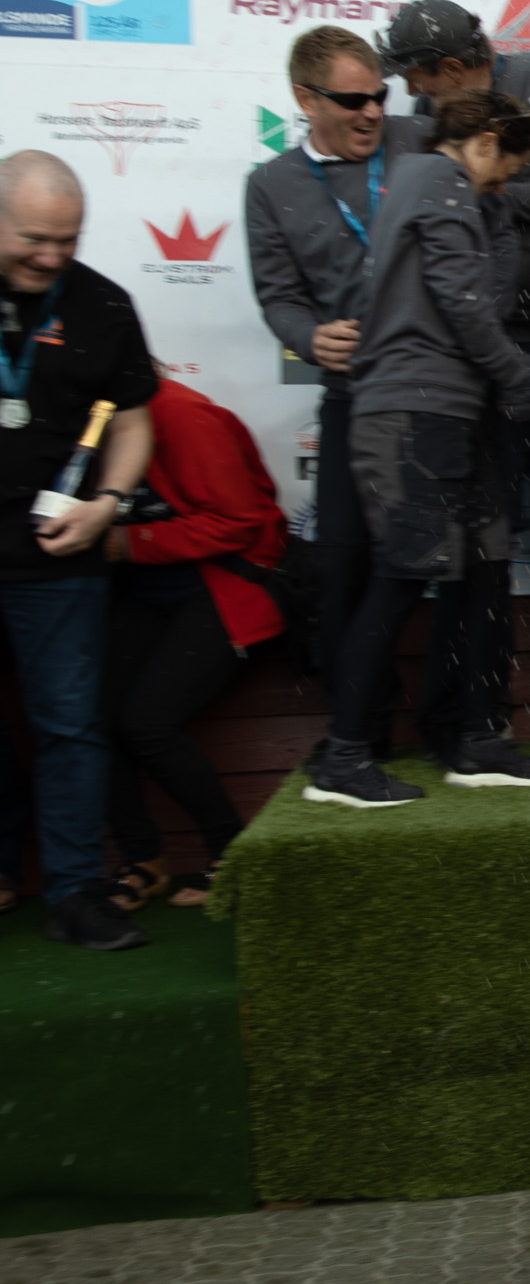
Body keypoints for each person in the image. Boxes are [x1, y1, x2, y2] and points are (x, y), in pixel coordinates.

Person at [303, 92, 530, 807]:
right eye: (505, 170)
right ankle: (345, 755)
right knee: (400, 575)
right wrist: (521, 373)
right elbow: (465, 303)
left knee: (480, 571)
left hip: (448, 408)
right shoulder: (443, 182)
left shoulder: (427, 185)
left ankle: (478, 739)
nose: (502, 187)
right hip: (414, 414)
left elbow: (470, 296)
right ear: (484, 143)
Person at [382, 0, 530, 752]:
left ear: (453, 67)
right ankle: (465, 722)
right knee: (474, 546)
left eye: (417, 77)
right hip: (480, 354)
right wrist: (472, 184)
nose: (410, 94)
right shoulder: (431, 122)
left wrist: (488, 186)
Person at [246, 24, 440, 751]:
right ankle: (361, 739)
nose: (372, 112)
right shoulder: (270, 185)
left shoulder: (421, 141)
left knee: (457, 567)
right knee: (342, 567)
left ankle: (457, 729)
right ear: (307, 100)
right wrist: (308, 336)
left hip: (439, 394)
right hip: (355, 397)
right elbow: (278, 297)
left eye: (379, 96)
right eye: (353, 100)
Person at [0, 151, 158, 948]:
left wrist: (108, 504)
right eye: (34, 238)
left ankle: (74, 892)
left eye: (67, 239)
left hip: (58, 559)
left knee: (69, 726)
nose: (51, 255)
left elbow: (132, 424)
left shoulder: (103, 303)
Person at [101, 372, 289, 908]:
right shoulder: (80, 419)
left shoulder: (182, 414)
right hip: (144, 589)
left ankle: (231, 856)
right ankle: (143, 860)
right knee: (94, 720)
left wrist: (127, 542)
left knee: (147, 724)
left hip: (221, 586)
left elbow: (238, 521)